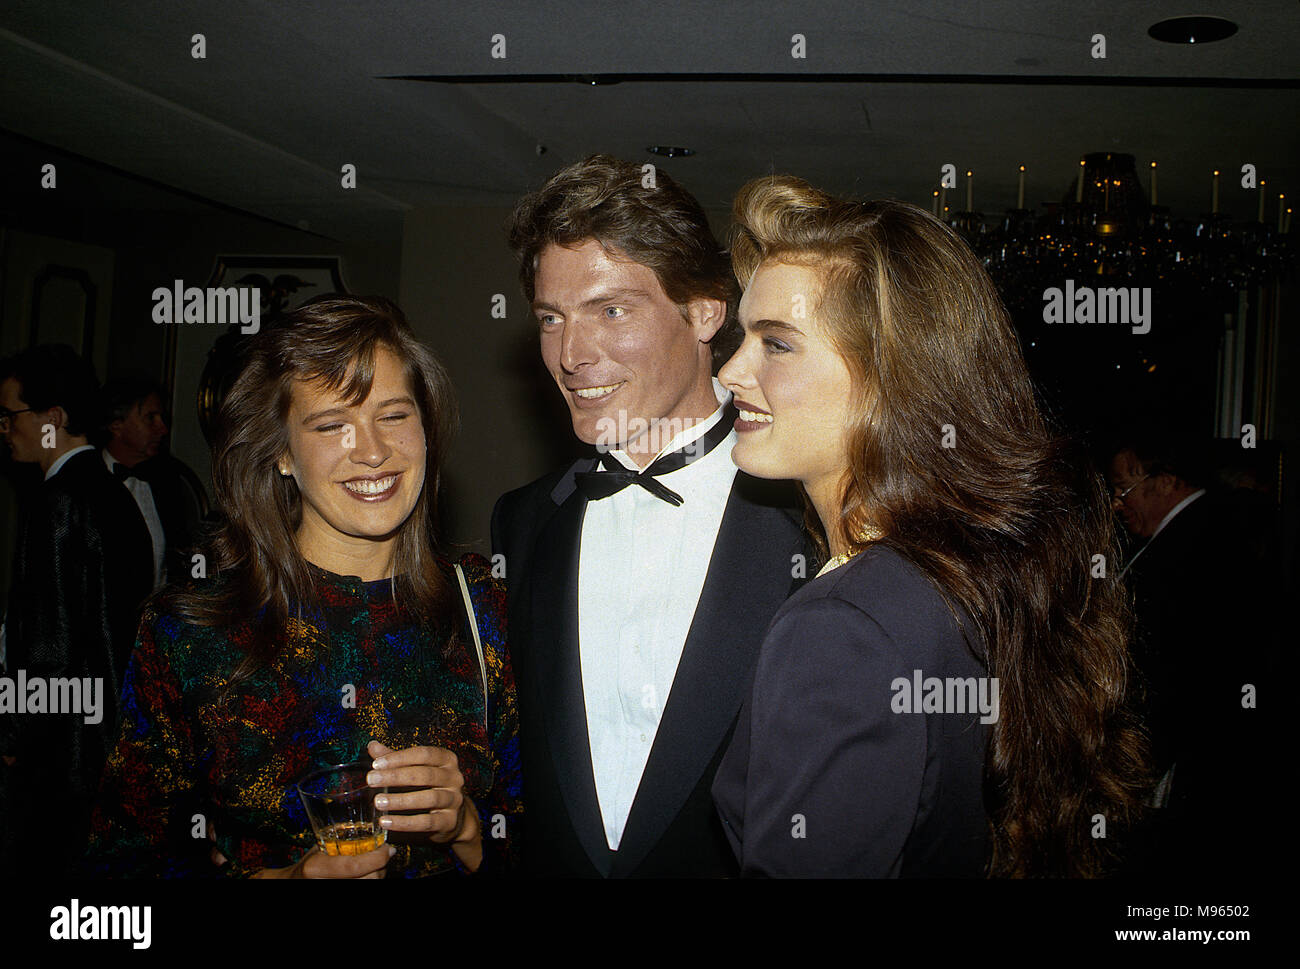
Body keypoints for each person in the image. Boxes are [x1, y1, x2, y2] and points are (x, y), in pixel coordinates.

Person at [711, 177, 1150, 877]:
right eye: (743, 337)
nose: (732, 369)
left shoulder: (843, 625)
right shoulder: (969, 567)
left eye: (778, 344)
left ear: (893, 379)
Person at [87, 296, 520, 877]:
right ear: (282, 452)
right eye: (332, 425)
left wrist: (468, 827)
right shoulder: (191, 633)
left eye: (393, 415)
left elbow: (555, 843)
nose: (372, 451)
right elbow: (118, 870)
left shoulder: (486, 607)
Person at [493, 155, 808, 877]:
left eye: (610, 310)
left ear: (704, 311)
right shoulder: (523, 523)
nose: (572, 354)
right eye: (551, 318)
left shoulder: (816, 519)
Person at [0, 345, 154, 876]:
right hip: (112, 738)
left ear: (53, 420)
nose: (4, 428)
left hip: (63, 750)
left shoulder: (58, 501)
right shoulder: (115, 497)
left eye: (12, 415)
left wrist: (12, 733)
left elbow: (50, 644)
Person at [1108, 431, 1269, 873]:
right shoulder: (1200, 532)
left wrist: (1134, 770)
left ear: (1166, 480)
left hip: (1193, 764)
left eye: (1124, 489)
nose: (1118, 504)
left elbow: (1173, 675)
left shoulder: (1190, 546)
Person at [99, 376, 206, 590]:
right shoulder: (85, 486)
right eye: (150, 418)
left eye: (161, 417)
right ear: (116, 425)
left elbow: (189, 553)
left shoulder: (169, 481)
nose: (162, 428)